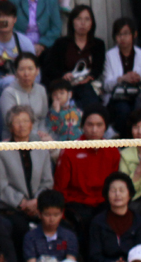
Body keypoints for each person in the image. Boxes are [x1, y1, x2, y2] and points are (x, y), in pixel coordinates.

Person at [53, 105, 120, 251]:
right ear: (82, 126)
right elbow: (60, 188)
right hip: (77, 203)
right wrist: (61, 214)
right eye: (90, 124)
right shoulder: (70, 151)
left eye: (99, 125)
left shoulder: (113, 151)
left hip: (103, 202)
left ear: (105, 127)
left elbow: (115, 185)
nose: (94, 130)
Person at [0, 105, 55, 254]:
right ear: (10, 126)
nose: (22, 125)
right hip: (13, 207)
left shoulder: (41, 148)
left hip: (39, 205)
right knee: (19, 227)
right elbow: (2, 184)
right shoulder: (1, 150)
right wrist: (22, 203)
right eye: (17, 121)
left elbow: (47, 182)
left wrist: (36, 202)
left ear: (31, 124)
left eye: (25, 121)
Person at [41, 5, 105, 108]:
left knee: (91, 103)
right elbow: (50, 67)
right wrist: (63, 75)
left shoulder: (98, 44)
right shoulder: (61, 43)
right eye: (79, 19)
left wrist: (89, 77)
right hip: (65, 86)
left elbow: (98, 68)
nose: (83, 23)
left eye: (87, 19)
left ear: (92, 23)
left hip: (86, 84)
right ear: (72, 22)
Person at [103, 18, 141, 136]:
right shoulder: (110, 55)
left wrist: (139, 79)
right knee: (123, 110)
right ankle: (124, 143)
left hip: (139, 95)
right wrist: (122, 79)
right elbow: (106, 85)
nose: (122, 38)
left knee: (139, 109)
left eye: (125, 33)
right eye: (118, 34)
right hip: (118, 97)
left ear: (134, 34)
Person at [87, 173, 141, 262]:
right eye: (113, 190)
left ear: (129, 194)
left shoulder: (139, 222)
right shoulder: (98, 223)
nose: (117, 194)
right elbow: (94, 255)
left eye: (122, 190)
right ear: (107, 194)